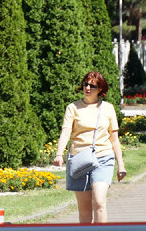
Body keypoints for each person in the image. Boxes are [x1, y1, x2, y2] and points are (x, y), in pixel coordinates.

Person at [53, 71, 126, 224]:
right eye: (86, 84)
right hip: (79, 159)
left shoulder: (108, 108)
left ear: (100, 89)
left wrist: (121, 165)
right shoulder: (72, 108)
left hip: (103, 158)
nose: (87, 88)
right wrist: (59, 154)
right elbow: (66, 132)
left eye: (92, 86)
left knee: (99, 201)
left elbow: (114, 139)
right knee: (84, 209)